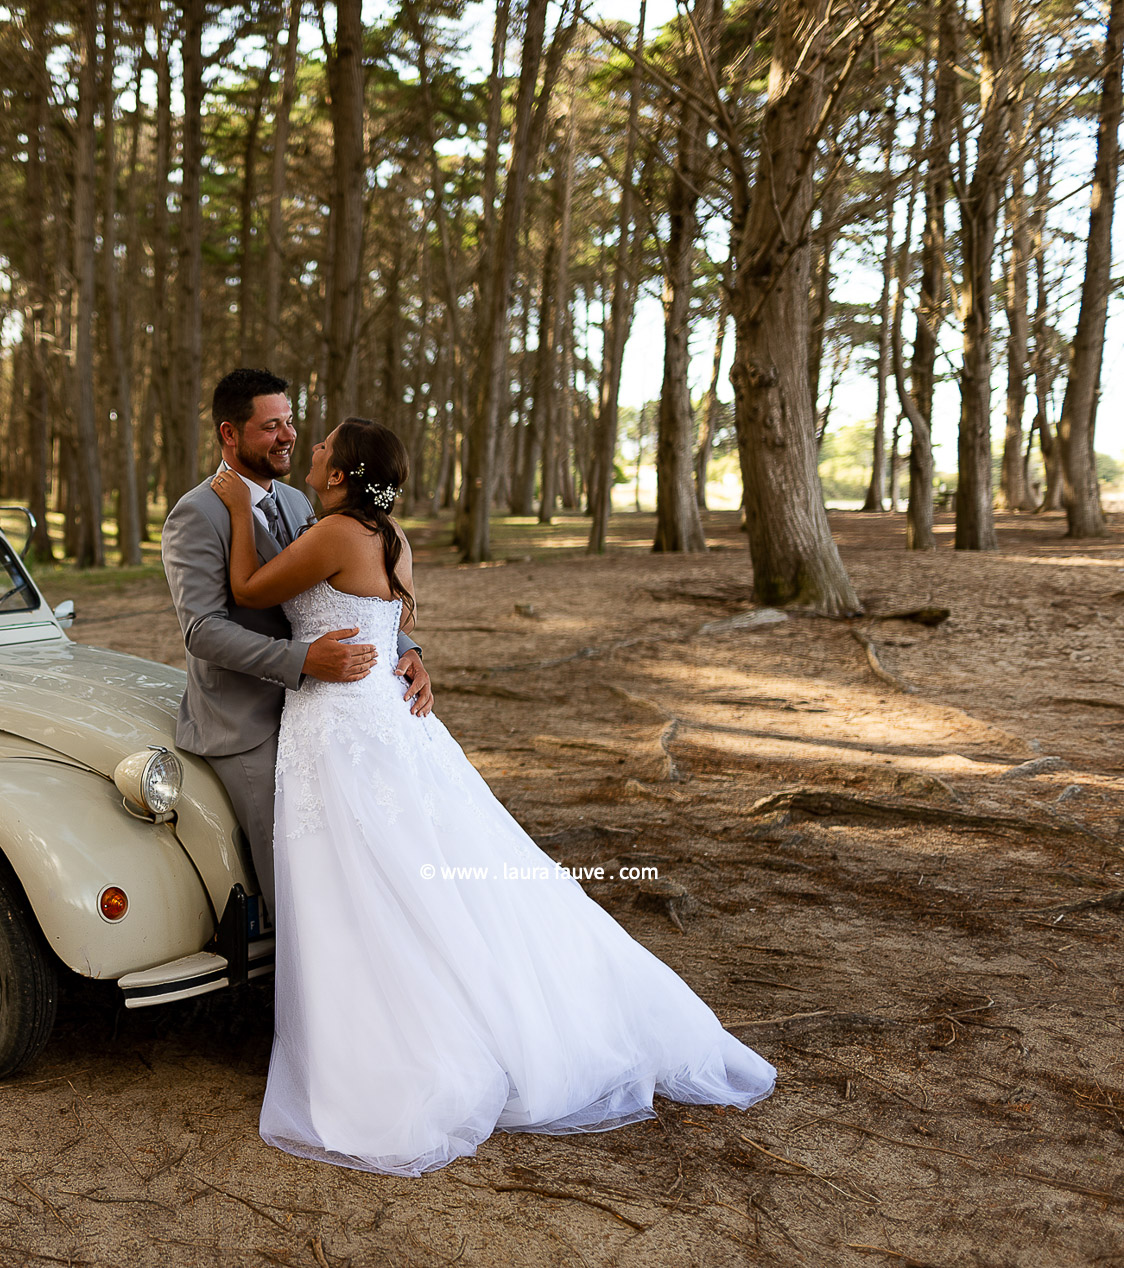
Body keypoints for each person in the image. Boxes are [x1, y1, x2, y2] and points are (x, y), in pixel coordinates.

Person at [207, 416, 776, 1177]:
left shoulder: (337, 533)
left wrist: (239, 508)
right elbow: (387, 621)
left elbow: (246, 587)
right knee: (412, 875)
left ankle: (407, 1050)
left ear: (343, 473)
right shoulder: (389, 537)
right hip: (382, 721)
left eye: (323, 447)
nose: (310, 448)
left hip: (340, 728)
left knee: (365, 886)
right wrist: (412, 658)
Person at [161, 369, 431, 922]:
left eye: (290, 422)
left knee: (367, 851)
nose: (288, 436)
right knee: (297, 876)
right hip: (247, 719)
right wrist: (303, 660)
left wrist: (407, 649)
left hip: (327, 710)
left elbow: (343, 589)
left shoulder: (300, 501)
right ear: (230, 434)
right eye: (270, 427)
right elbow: (203, 630)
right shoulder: (196, 513)